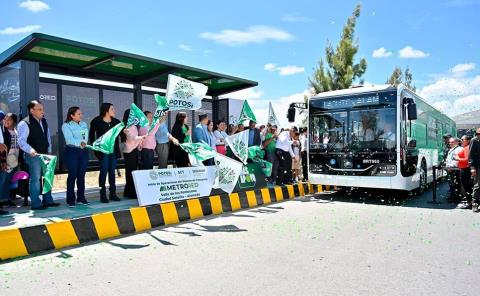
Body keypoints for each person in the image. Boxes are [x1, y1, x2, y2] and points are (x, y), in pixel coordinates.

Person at [17, 100, 60, 210]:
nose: (42, 111)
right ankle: (36, 203)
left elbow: (48, 137)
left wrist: (49, 149)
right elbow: (21, 141)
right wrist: (30, 150)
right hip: (33, 156)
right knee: (36, 179)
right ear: (32, 110)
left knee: (47, 177)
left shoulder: (44, 121)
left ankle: (48, 200)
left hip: (45, 154)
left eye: (42, 109)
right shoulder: (24, 123)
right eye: (40, 109)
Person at [89, 103, 121, 203]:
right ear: (106, 110)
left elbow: (122, 134)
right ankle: (102, 195)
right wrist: (96, 148)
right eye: (112, 109)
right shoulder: (96, 121)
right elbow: (91, 135)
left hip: (113, 152)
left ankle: (113, 194)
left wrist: (126, 132)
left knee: (112, 172)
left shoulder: (116, 122)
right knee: (103, 172)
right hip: (103, 152)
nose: (114, 110)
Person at [61, 107, 89, 207]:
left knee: (81, 175)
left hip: (83, 151)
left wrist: (83, 143)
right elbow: (69, 139)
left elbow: (85, 137)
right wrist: (80, 143)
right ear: (72, 116)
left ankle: (81, 198)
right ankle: (70, 199)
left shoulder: (84, 124)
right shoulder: (66, 125)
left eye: (81, 113)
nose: (81, 115)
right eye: (78, 114)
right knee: (72, 175)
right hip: (72, 151)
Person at [121, 109, 145, 199]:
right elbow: (132, 138)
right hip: (129, 151)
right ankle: (131, 193)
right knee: (130, 172)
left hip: (134, 151)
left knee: (133, 171)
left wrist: (139, 144)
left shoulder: (134, 126)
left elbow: (136, 139)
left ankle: (128, 192)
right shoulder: (126, 127)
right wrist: (141, 137)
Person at [0, 113, 18, 213]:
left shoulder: (16, 131)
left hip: (13, 160)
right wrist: (4, 160)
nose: (6, 121)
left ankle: (6, 199)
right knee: (2, 180)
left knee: (8, 180)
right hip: (5, 159)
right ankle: (1, 200)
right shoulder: (3, 131)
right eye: (4, 119)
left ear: (14, 122)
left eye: (9, 119)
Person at [456, 135, 473, 209]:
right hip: (464, 169)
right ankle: (469, 202)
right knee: (466, 186)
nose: (461, 141)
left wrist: (457, 158)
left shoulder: (467, 148)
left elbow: (466, 159)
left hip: (465, 169)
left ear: (468, 140)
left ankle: (469, 203)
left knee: (466, 186)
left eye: (462, 139)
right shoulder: (466, 147)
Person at [445, 137, 462, 203]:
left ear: (457, 142)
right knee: (452, 184)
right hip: (451, 169)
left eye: (452, 142)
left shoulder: (459, 149)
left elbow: (457, 160)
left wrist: (451, 167)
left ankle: (456, 198)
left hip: (455, 169)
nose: (450, 143)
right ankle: (453, 197)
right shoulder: (452, 149)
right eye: (450, 142)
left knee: (456, 184)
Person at [469, 128, 480, 213]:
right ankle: (475, 204)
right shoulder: (474, 141)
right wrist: (472, 168)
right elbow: (471, 155)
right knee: (477, 186)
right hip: (478, 166)